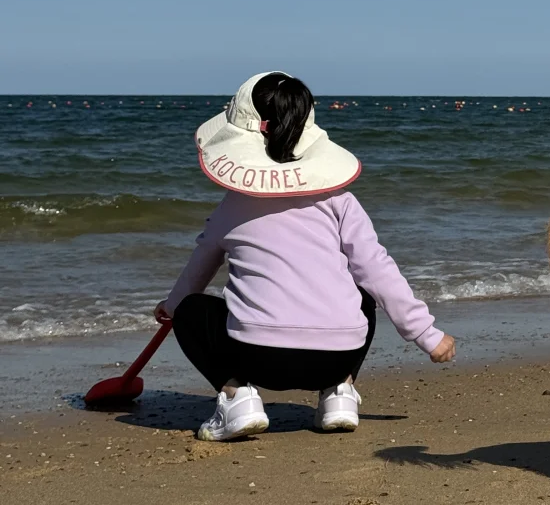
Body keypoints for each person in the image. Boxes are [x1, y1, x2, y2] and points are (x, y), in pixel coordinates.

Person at [156, 71, 455, 441]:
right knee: (362, 296)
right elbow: (376, 267)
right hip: (334, 357)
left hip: (258, 359)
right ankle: (339, 391)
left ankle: (237, 396)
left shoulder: (233, 205)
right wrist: (426, 334)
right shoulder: (339, 199)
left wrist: (170, 308)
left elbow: (198, 269)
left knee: (191, 310)